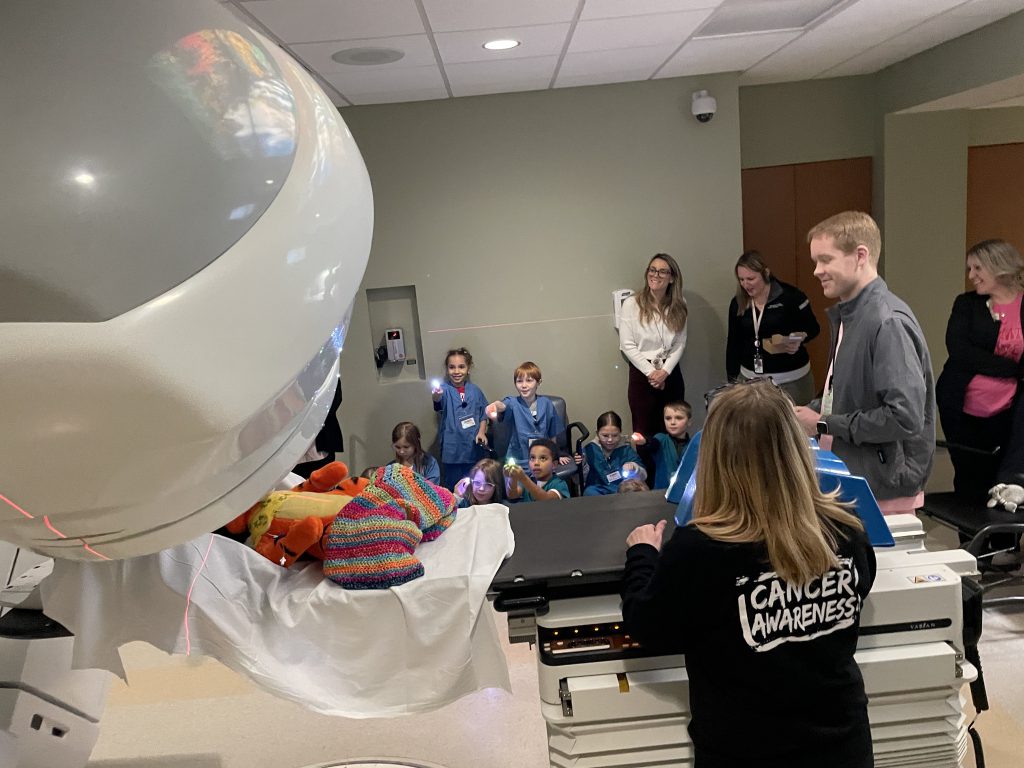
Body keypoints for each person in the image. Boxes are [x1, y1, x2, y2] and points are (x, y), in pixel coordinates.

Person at [622, 379, 876, 768]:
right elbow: (862, 585)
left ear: (715, 456)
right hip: (844, 747)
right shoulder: (847, 528)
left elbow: (647, 625)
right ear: (796, 448)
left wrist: (642, 554)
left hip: (742, 751)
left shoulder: (699, 549)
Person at [793, 211, 935, 515]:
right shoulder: (850, 315)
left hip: (880, 488)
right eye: (815, 261)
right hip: (853, 476)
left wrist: (822, 423)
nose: (817, 271)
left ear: (860, 256)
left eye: (825, 260)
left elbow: (904, 418)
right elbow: (849, 395)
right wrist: (811, 410)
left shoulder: (887, 322)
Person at [936, 239, 1024, 499]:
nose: (971, 276)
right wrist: (1014, 370)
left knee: (1004, 481)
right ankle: (968, 527)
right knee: (969, 480)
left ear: (999, 267)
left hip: (1009, 411)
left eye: (977, 268)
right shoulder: (967, 304)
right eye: (969, 269)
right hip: (961, 408)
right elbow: (960, 351)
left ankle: (1002, 527)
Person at [726, 251, 820, 405]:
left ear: (766, 273)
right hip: (750, 380)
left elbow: (813, 328)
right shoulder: (738, 303)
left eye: (751, 279)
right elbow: (733, 343)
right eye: (741, 279)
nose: (745, 285)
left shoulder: (791, 297)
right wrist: (731, 382)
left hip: (791, 380)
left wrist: (797, 338)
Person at [618, 253, 689, 439]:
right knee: (645, 432)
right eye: (652, 270)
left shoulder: (680, 304)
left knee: (675, 430)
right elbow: (627, 344)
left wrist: (665, 371)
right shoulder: (632, 304)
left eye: (662, 271)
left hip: (670, 372)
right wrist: (652, 373)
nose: (655, 275)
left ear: (672, 278)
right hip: (642, 375)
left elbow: (680, 342)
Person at [486, 362, 571, 466]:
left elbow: (552, 434)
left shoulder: (546, 404)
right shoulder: (513, 403)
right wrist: (494, 406)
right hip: (519, 460)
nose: (524, 385)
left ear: (538, 382)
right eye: (519, 381)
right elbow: (502, 405)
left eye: (529, 381)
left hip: (542, 458)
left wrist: (556, 455)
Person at [431, 347, 489, 489]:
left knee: (475, 485)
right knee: (454, 487)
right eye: (452, 367)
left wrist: (482, 432)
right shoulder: (444, 390)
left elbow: (483, 413)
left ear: (468, 369)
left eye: (461, 367)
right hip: (452, 450)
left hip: (472, 447)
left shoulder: (475, 391)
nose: (456, 371)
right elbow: (438, 403)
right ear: (447, 369)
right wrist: (436, 396)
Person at [577, 411, 646, 495]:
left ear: (620, 433)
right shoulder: (590, 449)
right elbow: (578, 480)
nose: (610, 440)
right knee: (589, 492)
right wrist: (582, 465)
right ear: (597, 434)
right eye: (605, 436)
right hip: (599, 489)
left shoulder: (625, 448)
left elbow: (643, 476)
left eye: (615, 435)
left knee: (639, 489)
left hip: (623, 489)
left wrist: (634, 467)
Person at [642, 400, 692, 490]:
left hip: (686, 492)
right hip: (661, 492)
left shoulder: (694, 444)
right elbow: (651, 445)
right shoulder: (661, 439)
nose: (672, 422)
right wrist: (644, 442)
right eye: (668, 418)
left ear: (689, 422)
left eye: (679, 418)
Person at [505, 439, 569, 502]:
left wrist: (524, 478)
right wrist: (512, 478)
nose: (536, 463)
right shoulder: (530, 479)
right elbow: (512, 495)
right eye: (532, 458)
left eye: (543, 458)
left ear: (554, 464)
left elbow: (547, 501)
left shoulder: (559, 484)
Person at [388, 421, 441, 485]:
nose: (401, 451)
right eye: (397, 447)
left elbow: (432, 488)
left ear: (415, 444)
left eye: (406, 447)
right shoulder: (390, 468)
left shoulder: (429, 463)